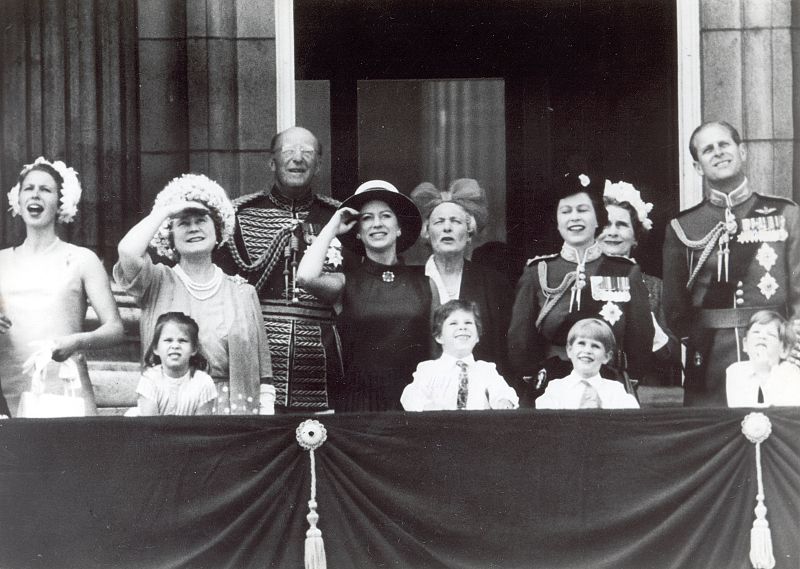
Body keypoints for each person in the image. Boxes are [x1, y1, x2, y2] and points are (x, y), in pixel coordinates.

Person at [663, 121, 800, 406]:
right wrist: (699, 343)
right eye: (708, 150)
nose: (718, 153)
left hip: (774, 350)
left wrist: (792, 339)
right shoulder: (683, 226)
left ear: (743, 151)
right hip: (711, 355)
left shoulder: (785, 213)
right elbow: (675, 306)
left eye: (724, 145)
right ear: (698, 166)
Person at [115, 173, 273, 415]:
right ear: (170, 236)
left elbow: (264, 376)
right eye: (183, 222)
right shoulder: (155, 282)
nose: (193, 228)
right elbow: (127, 251)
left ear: (218, 229)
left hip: (233, 413)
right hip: (173, 411)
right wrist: (166, 211)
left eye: (201, 220)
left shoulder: (243, 292)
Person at [216, 126, 346, 412]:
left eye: (307, 152)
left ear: (319, 165)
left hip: (321, 353)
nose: (297, 159)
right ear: (272, 162)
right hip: (259, 348)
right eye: (288, 151)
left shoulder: (337, 217)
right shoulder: (239, 215)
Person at [508, 172, 653, 406]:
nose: (574, 218)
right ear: (557, 220)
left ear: (598, 220)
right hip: (551, 385)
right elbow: (520, 341)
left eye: (583, 210)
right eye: (566, 211)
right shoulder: (538, 272)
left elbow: (641, 340)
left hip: (609, 383)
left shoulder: (625, 271)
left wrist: (627, 379)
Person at [0, 157, 124, 416]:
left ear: (60, 203)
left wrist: (77, 341)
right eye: (29, 188)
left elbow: (115, 329)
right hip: (8, 393)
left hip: (67, 392)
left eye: (45, 190)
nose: (36, 195)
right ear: (19, 201)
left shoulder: (82, 260)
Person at [297, 180, 431, 412]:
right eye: (367, 218)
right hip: (359, 408)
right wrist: (331, 228)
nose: (377, 224)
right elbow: (306, 278)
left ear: (399, 227)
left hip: (415, 406)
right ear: (358, 233)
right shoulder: (346, 283)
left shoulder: (425, 284)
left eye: (386, 216)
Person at [410, 179, 512, 374]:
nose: (447, 228)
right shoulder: (410, 281)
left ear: (469, 233)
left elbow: (504, 350)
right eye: (439, 222)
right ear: (426, 232)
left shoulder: (494, 283)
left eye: (455, 221)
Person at [599, 179, 681, 386]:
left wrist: (650, 327)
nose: (612, 232)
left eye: (622, 225)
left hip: (645, 394)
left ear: (636, 237)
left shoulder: (655, 288)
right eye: (606, 224)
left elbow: (673, 356)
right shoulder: (578, 282)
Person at [401, 299, 518, 411]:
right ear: (439, 337)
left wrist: (504, 401)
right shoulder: (428, 369)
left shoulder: (486, 370)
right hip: (440, 427)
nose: (462, 327)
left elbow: (502, 391)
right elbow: (411, 395)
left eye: (468, 322)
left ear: (477, 337)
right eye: (453, 323)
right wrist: (428, 408)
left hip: (478, 428)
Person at [536, 318, 640, 409]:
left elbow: (632, 421)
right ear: (569, 350)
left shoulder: (615, 391)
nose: (587, 350)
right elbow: (546, 422)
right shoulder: (556, 388)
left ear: (606, 357)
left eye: (595, 346)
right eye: (581, 343)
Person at [136, 312, 217, 416]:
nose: (175, 346)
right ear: (155, 348)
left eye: (182, 340)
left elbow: (202, 428)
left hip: (191, 432)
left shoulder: (203, 383)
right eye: (168, 340)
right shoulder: (150, 379)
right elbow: (150, 426)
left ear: (194, 349)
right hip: (154, 431)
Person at [725, 310, 800, 407]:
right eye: (756, 332)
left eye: (771, 335)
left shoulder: (791, 373)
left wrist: (764, 374)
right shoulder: (735, 371)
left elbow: (784, 413)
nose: (762, 337)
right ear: (745, 344)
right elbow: (740, 410)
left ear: (784, 350)